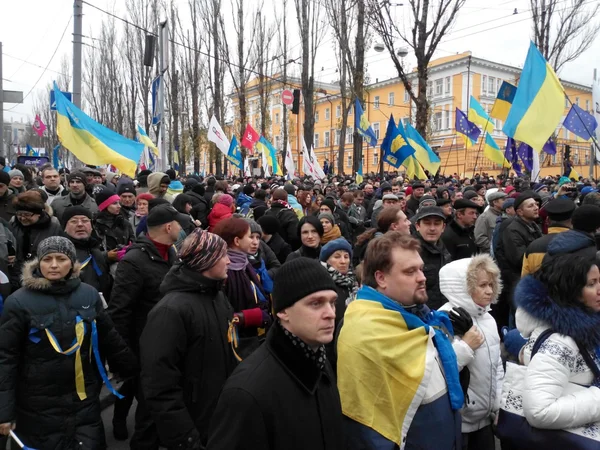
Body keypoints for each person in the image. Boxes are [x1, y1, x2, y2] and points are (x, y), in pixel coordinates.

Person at [0, 237, 136, 450]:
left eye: (61, 259)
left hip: (83, 399)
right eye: (47, 259)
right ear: (38, 263)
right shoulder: (18, 302)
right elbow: (5, 358)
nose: (53, 265)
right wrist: (4, 411)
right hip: (36, 404)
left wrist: (132, 369)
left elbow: (109, 335)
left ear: (72, 263)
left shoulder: (88, 294)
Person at [337, 233, 463, 449]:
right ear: (381, 278)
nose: (422, 277)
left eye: (421, 268)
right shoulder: (363, 332)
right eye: (410, 271)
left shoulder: (420, 317)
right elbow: (367, 425)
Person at [207, 257, 344, 450]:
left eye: (332, 302)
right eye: (316, 303)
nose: (330, 313)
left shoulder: (319, 361)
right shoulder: (247, 391)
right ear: (283, 312)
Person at [139, 229, 237, 449]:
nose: (229, 260)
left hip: (217, 421)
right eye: (223, 256)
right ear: (206, 260)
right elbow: (159, 386)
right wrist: (187, 439)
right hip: (194, 428)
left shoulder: (218, 296)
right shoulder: (170, 311)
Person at [108, 204, 184, 446]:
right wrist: (124, 356)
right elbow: (119, 311)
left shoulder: (171, 252)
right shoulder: (134, 261)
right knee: (148, 410)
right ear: (169, 227)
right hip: (141, 347)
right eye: (179, 224)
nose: (182, 228)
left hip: (164, 344)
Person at [505, 254, 600, 447]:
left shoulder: (586, 330)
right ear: (573, 292)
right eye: (592, 284)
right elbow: (539, 412)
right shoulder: (562, 341)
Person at [438, 255, 504, 450]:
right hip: (459, 422)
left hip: (485, 420)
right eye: (482, 285)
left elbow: (497, 365)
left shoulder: (488, 319)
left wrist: (498, 402)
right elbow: (439, 369)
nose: (489, 291)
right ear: (462, 287)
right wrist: (465, 346)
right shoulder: (445, 320)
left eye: (492, 285)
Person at [213, 217, 271, 357]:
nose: (254, 241)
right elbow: (221, 313)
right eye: (250, 237)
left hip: (253, 336)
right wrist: (250, 316)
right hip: (237, 343)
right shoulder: (225, 271)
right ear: (237, 241)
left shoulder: (244, 263)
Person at [9, 191, 63, 289]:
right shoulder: (14, 223)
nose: (22, 218)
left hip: (42, 276)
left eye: (27, 215)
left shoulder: (53, 225)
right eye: (19, 214)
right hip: (16, 275)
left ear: (39, 214)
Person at [62, 206, 112, 302]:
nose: (80, 225)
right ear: (64, 228)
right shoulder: (61, 253)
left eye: (85, 221)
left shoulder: (96, 251)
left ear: (91, 227)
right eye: (74, 221)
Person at [319, 238, 357, 362]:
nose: (343, 261)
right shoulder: (322, 284)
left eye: (346, 257)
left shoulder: (353, 283)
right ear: (326, 260)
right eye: (337, 257)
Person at [501, 193, 542, 310]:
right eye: (530, 206)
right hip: (520, 280)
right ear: (520, 212)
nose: (536, 207)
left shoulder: (533, 225)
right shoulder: (513, 230)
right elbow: (519, 258)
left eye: (536, 204)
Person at [521, 198, 575, 276]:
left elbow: (524, 282)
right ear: (572, 220)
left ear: (547, 220)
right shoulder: (582, 244)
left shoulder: (533, 247)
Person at [413, 206, 452, 310]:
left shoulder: (444, 249)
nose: (432, 228)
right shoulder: (411, 252)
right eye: (427, 223)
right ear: (417, 226)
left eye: (437, 223)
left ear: (443, 227)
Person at [93, 186, 135, 253]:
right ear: (105, 206)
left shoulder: (124, 222)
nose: (119, 206)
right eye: (114, 203)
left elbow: (133, 242)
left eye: (119, 203)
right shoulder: (95, 225)